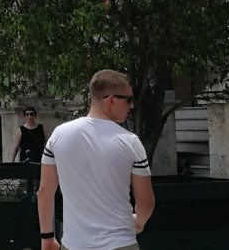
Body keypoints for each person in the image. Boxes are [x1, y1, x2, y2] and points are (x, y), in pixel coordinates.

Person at [37, 69, 154, 250]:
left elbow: (44, 191)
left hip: (74, 244)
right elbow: (145, 202)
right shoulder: (130, 141)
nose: (131, 106)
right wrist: (139, 222)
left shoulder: (59, 135)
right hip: (120, 243)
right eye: (129, 99)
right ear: (111, 100)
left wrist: (47, 238)